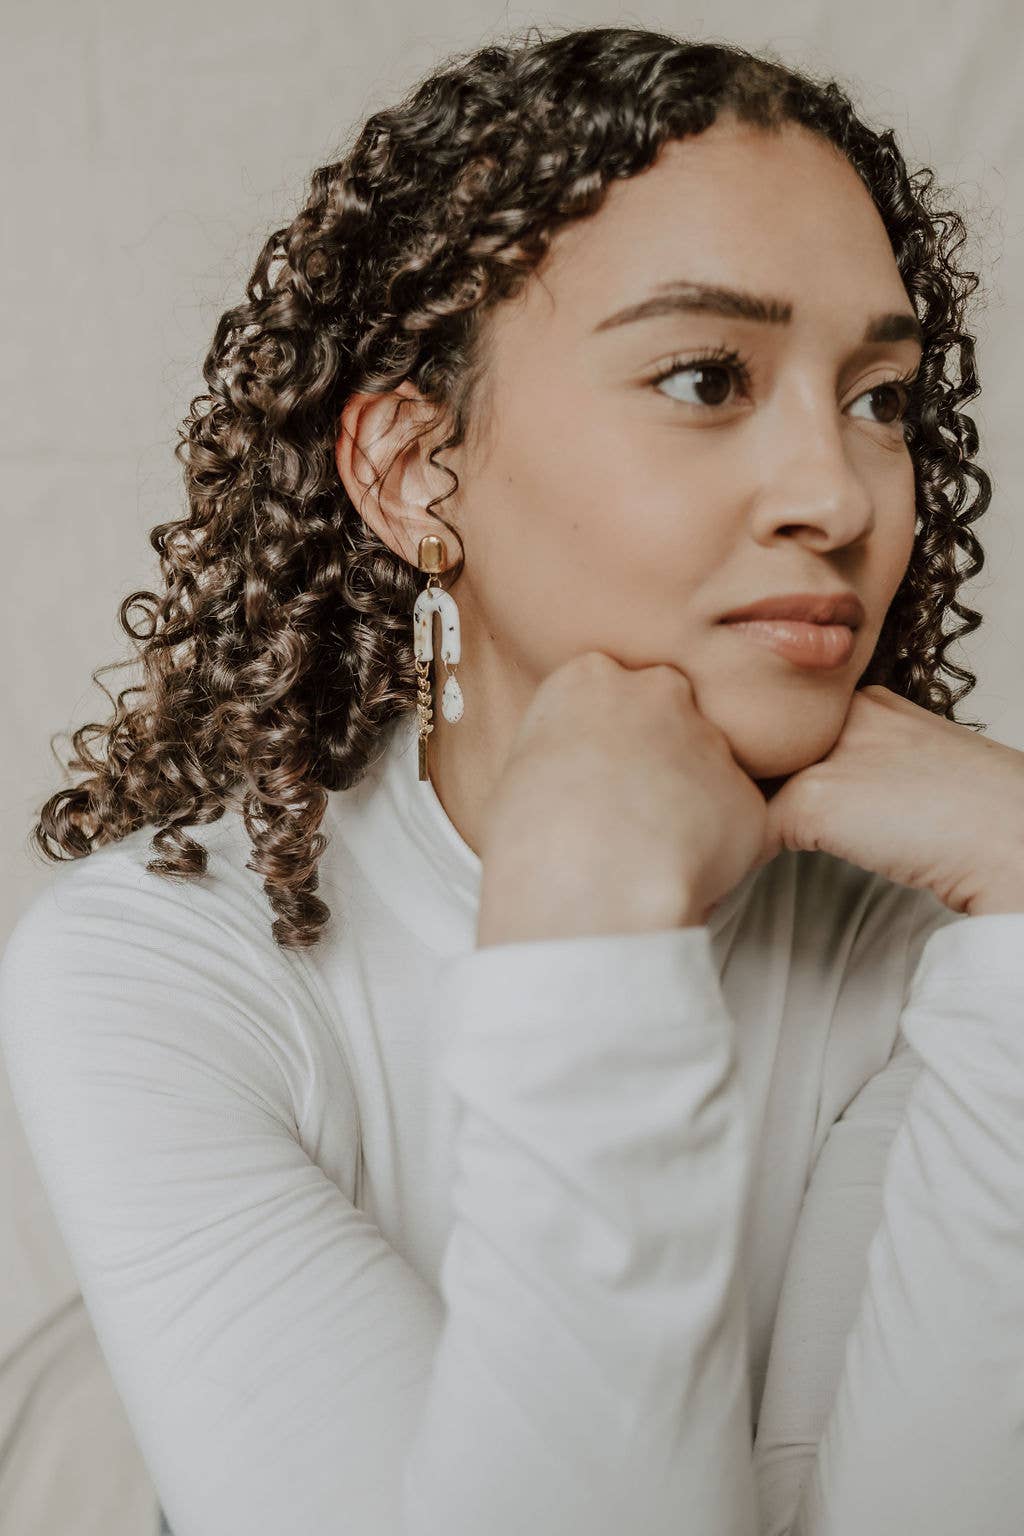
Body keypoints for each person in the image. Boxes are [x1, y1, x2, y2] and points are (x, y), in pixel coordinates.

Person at [2, 23, 1023, 1536]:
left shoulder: (947, 935)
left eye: (880, 398)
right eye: (704, 377)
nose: (839, 493)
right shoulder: (155, 969)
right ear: (419, 471)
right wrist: (587, 937)